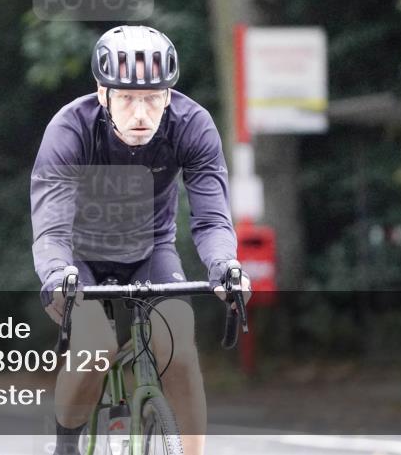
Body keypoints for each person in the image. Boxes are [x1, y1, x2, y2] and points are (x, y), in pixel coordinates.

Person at [31, 26, 250, 455]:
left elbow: (211, 221)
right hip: (79, 259)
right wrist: (57, 275)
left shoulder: (193, 125)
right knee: (95, 348)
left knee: (180, 354)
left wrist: (226, 266)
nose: (140, 114)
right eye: (127, 98)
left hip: (151, 251)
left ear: (168, 95)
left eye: (152, 98)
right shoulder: (69, 129)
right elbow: (52, 230)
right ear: (102, 92)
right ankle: (66, 448)